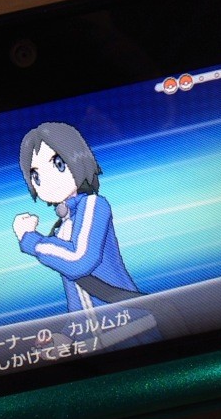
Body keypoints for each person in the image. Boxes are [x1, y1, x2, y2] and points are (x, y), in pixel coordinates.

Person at [13, 122, 144, 314]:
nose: (48, 182)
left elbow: (79, 261)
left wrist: (30, 239)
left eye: (58, 164)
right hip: (90, 330)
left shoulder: (93, 205)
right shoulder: (60, 227)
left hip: (128, 319)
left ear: (78, 159)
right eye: (36, 176)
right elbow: (76, 291)